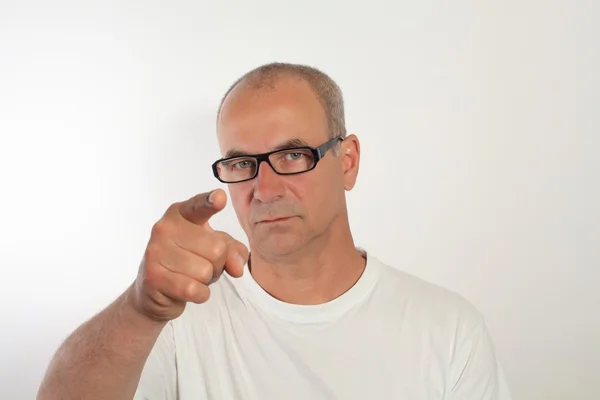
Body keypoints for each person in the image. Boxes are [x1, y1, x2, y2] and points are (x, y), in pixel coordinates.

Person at [37, 62, 512, 400]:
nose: (264, 189)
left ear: (346, 162)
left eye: (291, 155)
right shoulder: (178, 319)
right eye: (242, 163)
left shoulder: (447, 330)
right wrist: (140, 310)